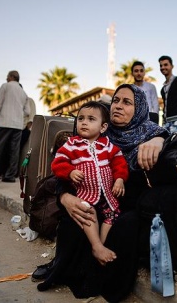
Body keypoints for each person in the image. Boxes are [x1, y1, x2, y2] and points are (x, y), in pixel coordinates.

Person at [35, 84, 169, 302]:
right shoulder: (94, 135)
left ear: (140, 108)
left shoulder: (152, 135)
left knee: (126, 226)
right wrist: (66, 198)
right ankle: (74, 273)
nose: (118, 106)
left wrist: (158, 140)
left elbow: (168, 138)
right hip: (91, 197)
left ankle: (108, 284)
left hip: (128, 205)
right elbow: (61, 172)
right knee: (78, 216)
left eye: (127, 102)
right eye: (116, 100)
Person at [51, 101, 129, 265]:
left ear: (103, 127)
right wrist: (70, 172)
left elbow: (119, 163)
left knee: (112, 215)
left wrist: (120, 179)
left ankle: (100, 246)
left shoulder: (107, 146)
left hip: (107, 195)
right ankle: (96, 245)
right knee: (87, 212)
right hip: (86, 194)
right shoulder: (72, 144)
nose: (84, 122)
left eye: (91, 119)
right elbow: (57, 163)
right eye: (81, 119)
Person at [0, 70, 31, 183]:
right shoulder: (24, 93)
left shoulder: (5, 86)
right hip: (17, 125)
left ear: (12, 77)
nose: (6, 78)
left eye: (7, 76)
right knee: (14, 151)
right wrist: (18, 115)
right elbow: (27, 112)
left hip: (4, 122)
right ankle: (10, 176)